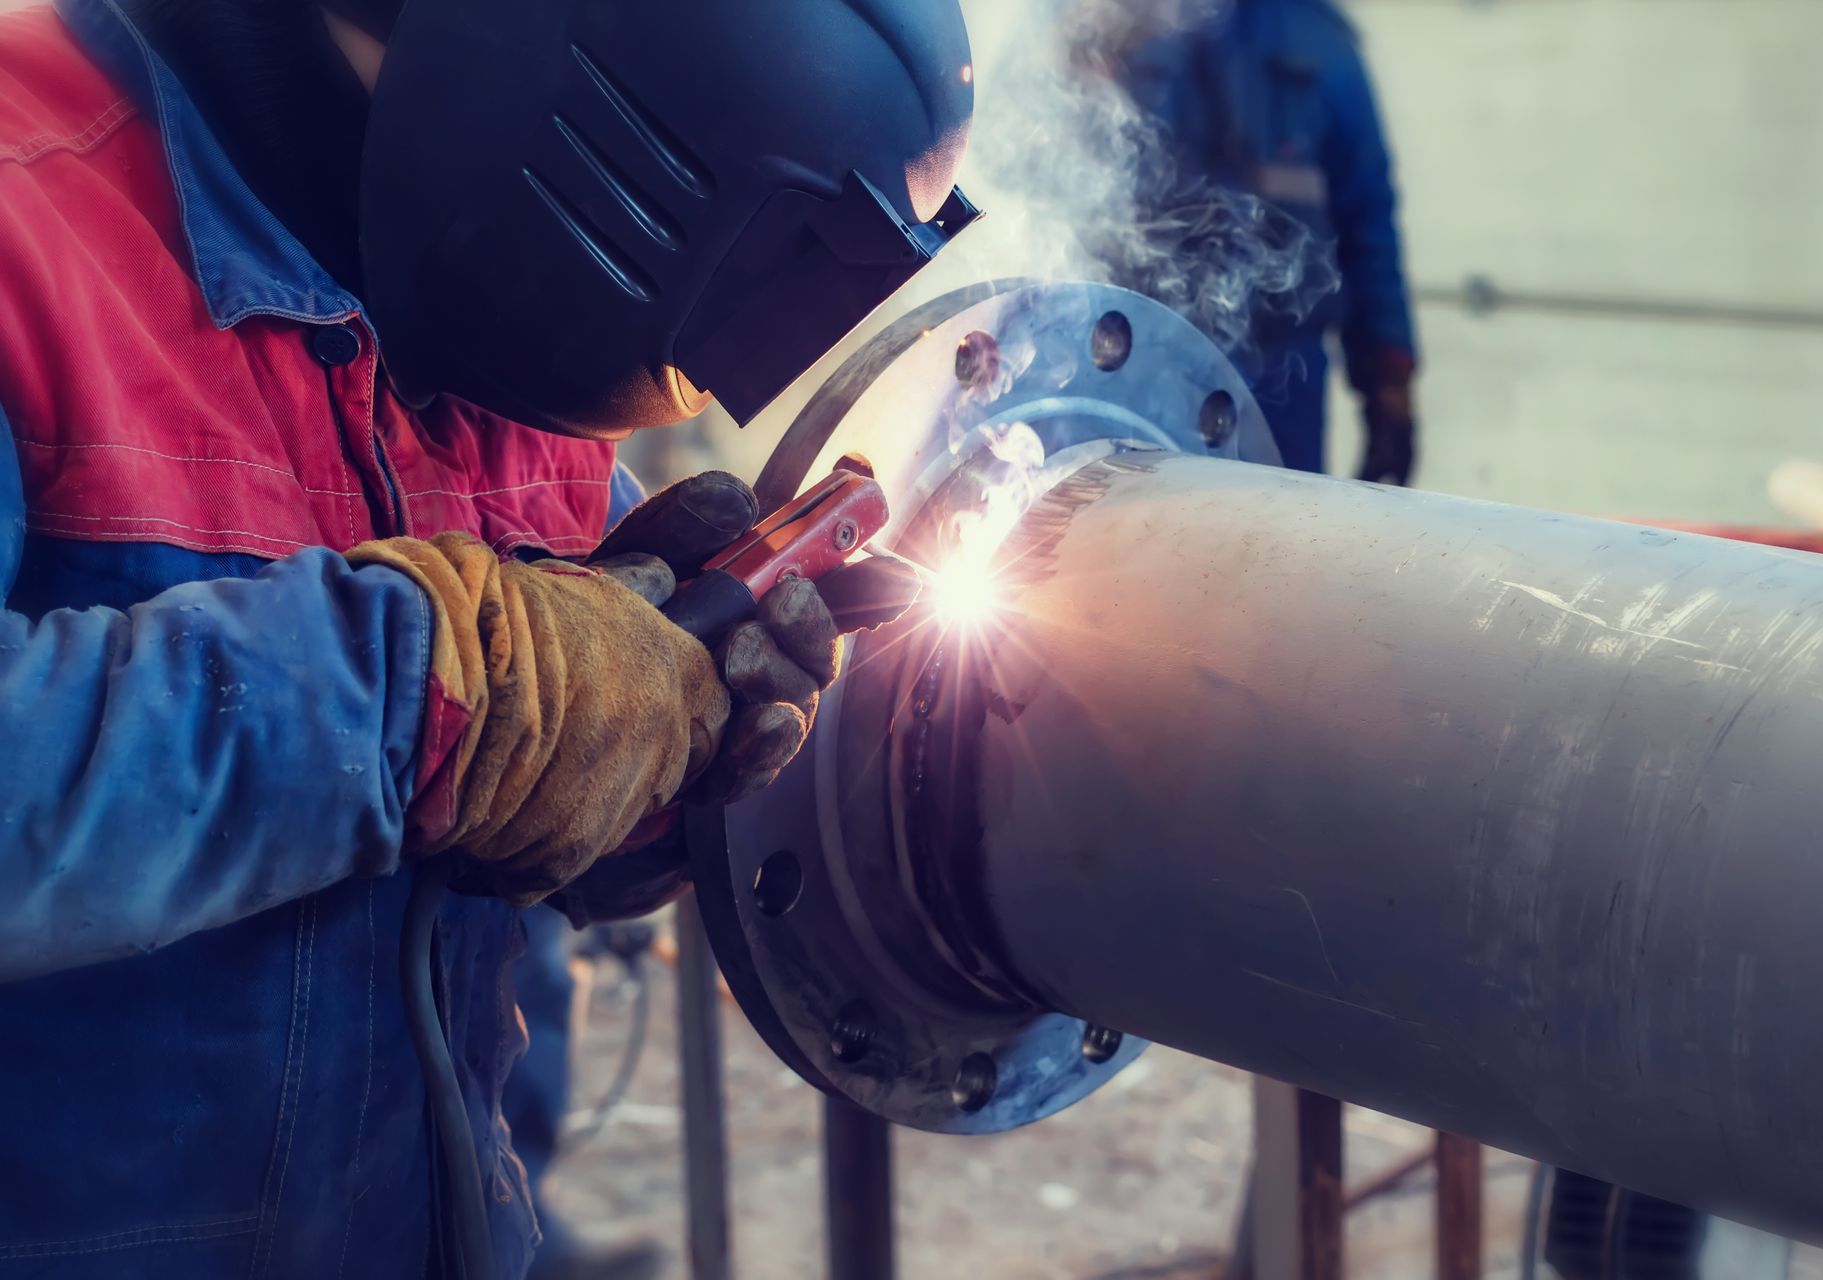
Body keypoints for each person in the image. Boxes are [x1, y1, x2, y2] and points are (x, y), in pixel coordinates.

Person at [0, 0, 970, 1276]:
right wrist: (423, 700)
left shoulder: (513, 309)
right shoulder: (29, 210)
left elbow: (511, 758)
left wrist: (640, 779)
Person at [1107, 0, 1420, 482]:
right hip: (1135, 362)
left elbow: (1367, 218)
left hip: (1285, 380)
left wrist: (1389, 384)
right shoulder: (1101, 19)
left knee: (1279, 546)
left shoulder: (1320, 41)